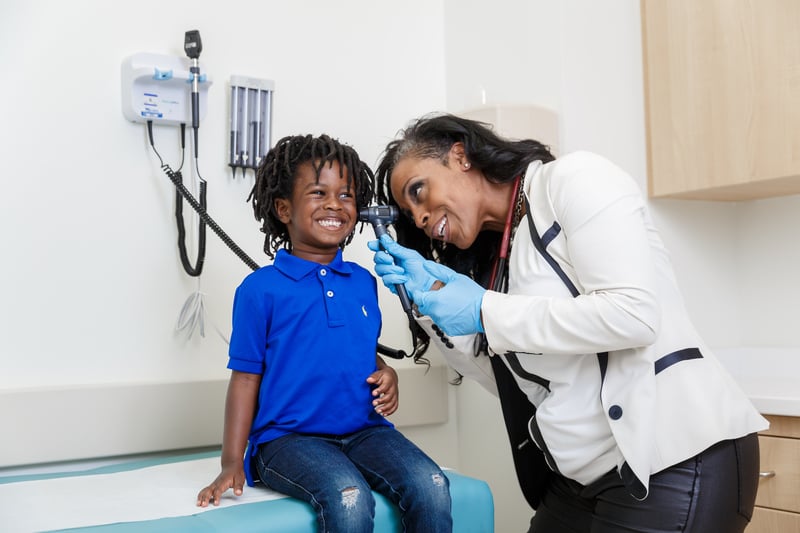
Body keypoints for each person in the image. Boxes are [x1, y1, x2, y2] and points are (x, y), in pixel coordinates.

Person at [367, 113, 768, 533]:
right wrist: (428, 301)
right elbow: (511, 380)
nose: (420, 218)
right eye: (410, 214)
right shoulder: (502, 258)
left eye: (419, 192)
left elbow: (632, 314)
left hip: (671, 457)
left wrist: (486, 310)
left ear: (460, 155)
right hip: (584, 479)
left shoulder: (573, 181)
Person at [197, 134, 452, 533]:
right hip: (289, 441)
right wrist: (231, 463)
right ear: (283, 208)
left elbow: (359, 350)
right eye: (319, 193)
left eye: (347, 195)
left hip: (365, 432)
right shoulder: (260, 289)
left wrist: (387, 372)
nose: (335, 204)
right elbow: (245, 379)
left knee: (433, 485)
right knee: (349, 496)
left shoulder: (363, 282)